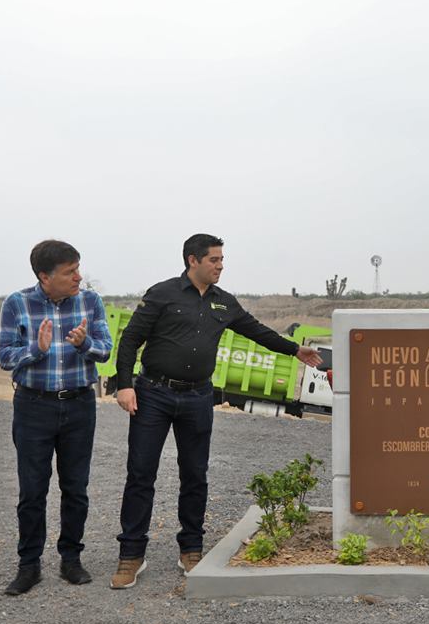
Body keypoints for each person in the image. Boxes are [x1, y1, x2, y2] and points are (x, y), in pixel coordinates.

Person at [109, 234, 322, 589]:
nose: (221, 265)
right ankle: (131, 555)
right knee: (141, 474)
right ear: (193, 260)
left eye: (222, 260)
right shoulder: (162, 293)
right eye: (214, 260)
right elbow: (131, 339)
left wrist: (293, 350)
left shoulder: (225, 303)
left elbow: (256, 331)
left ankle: (191, 548)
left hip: (197, 398)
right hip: (154, 395)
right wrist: (125, 384)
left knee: (195, 474)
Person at [0, 240, 113, 596]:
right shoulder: (17, 303)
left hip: (79, 405)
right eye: (70, 271)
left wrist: (83, 344)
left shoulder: (89, 301)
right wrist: (36, 350)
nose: (79, 277)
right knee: (32, 490)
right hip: (34, 407)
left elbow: (105, 349)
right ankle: (28, 565)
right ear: (44, 276)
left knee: (75, 488)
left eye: (78, 268)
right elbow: (4, 356)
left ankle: (71, 559)